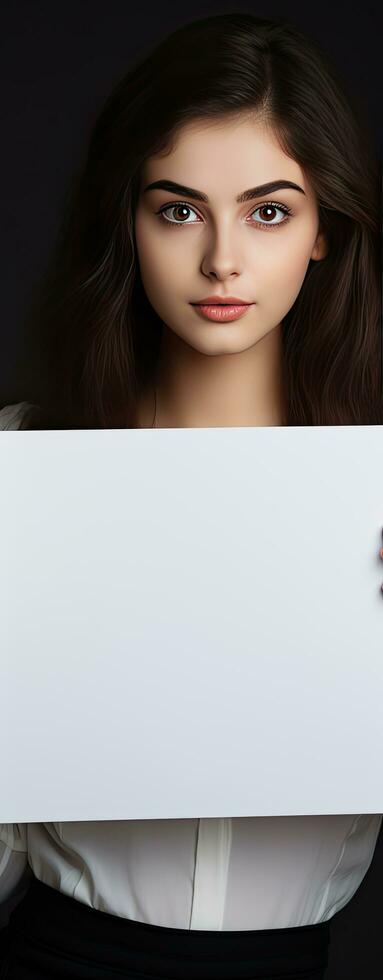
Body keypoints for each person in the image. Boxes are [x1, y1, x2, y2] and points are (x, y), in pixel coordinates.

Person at [1, 11, 382, 980]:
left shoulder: (371, 495)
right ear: (125, 221)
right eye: (177, 209)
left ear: (324, 230)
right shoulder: (21, 468)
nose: (220, 259)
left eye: (266, 211)